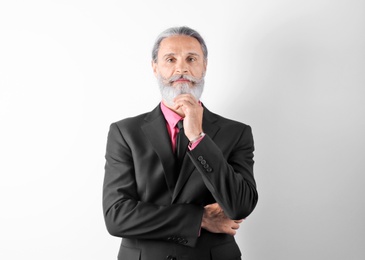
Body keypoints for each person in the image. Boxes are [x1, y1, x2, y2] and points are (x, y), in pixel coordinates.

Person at [102, 26, 258, 260]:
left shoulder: (236, 132)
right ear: (155, 67)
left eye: (191, 58)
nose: (181, 68)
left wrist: (198, 138)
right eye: (170, 59)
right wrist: (200, 218)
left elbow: (240, 206)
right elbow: (117, 217)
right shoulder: (125, 132)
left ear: (204, 66)